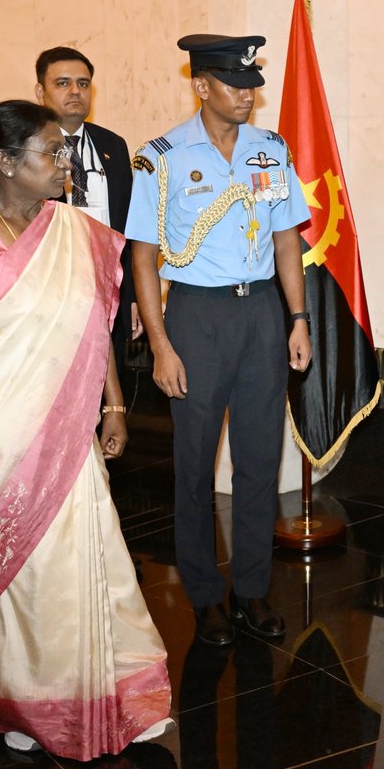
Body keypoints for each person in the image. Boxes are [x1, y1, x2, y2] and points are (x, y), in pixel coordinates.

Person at [0, 99, 172, 758]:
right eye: (51, 152)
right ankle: (28, 703)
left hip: (69, 429)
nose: (64, 162)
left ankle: (116, 690)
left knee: (94, 557)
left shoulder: (75, 230)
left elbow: (94, 324)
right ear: (4, 161)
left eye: (64, 151)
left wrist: (114, 404)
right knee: (25, 578)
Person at [127, 34, 311, 647]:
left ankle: (252, 592)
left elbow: (287, 239)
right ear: (202, 86)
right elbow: (145, 258)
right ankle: (204, 595)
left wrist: (298, 318)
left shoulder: (270, 150)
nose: (247, 97)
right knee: (195, 464)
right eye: (235, 85)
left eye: (253, 86)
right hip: (197, 319)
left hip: (260, 312)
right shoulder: (162, 157)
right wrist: (161, 344)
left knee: (260, 459)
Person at [35, 46, 141, 378]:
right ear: (41, 92)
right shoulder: (28, 148)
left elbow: (130, 227)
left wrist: (133, 297)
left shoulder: (113, 145)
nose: (75, 92)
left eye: (83, 83)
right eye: (62, 83)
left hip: (108, 291)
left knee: (109, 393)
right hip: (50, 299)